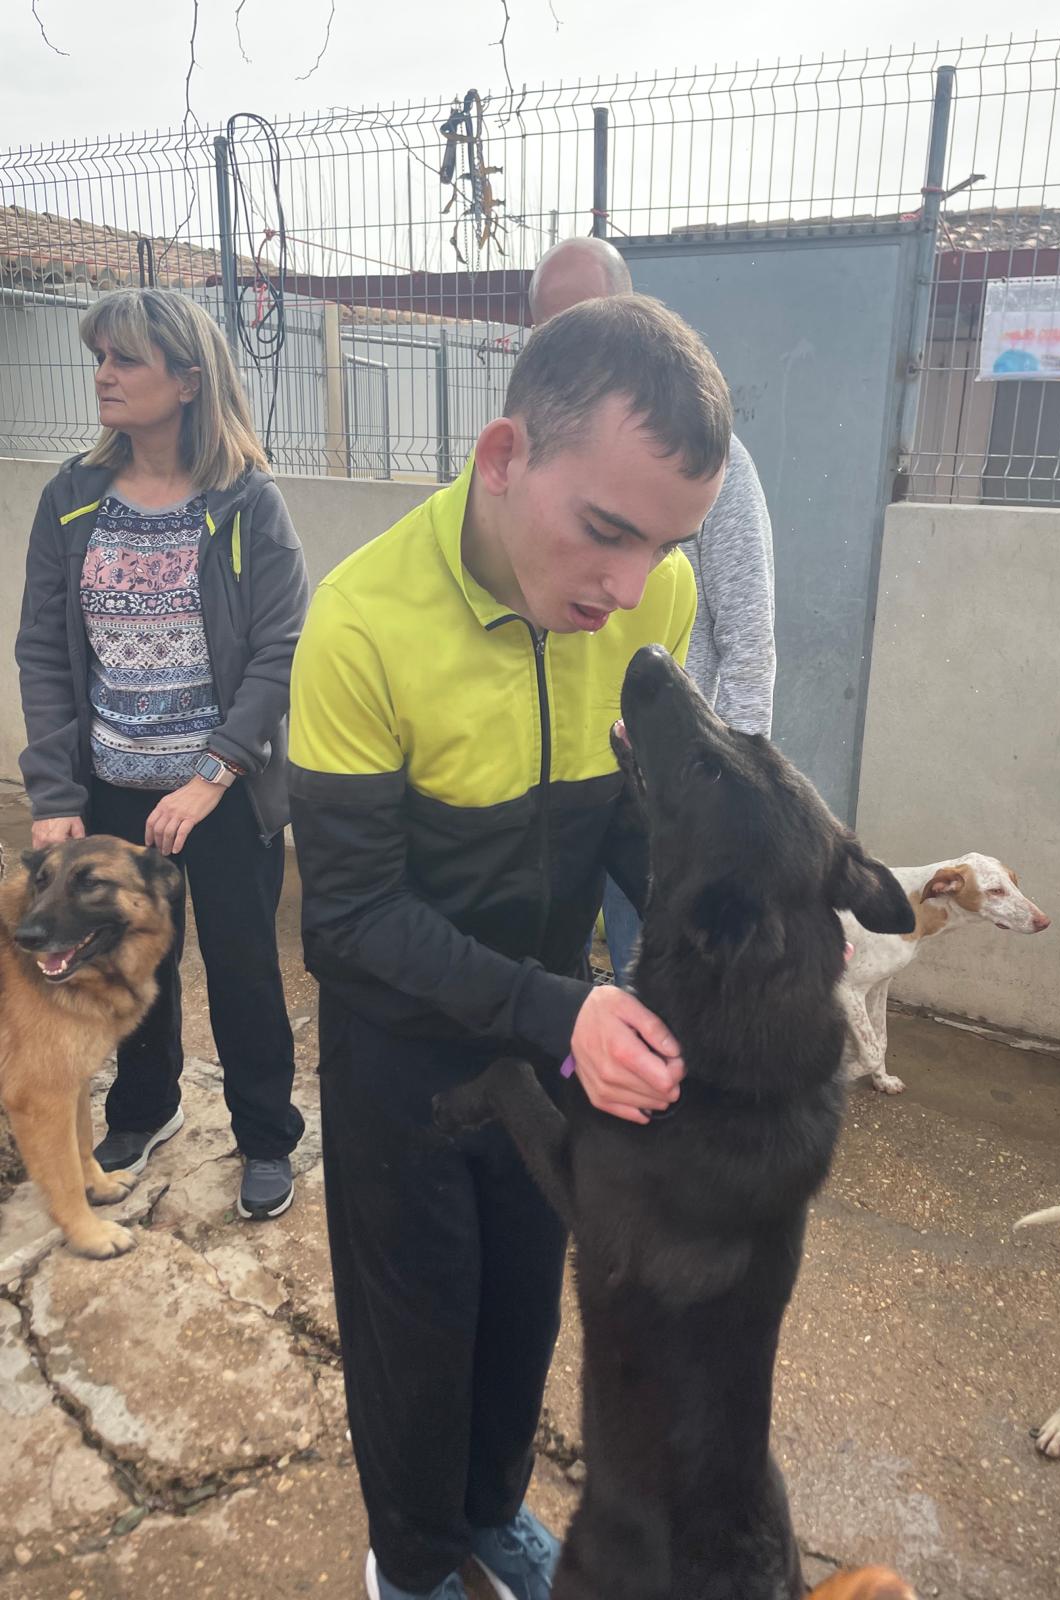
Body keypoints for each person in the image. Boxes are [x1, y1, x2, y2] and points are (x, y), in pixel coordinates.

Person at [287, 295, 731, 1600]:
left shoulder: (655, 599)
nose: (628, 588)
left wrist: (694, 976)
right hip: (403, 1058)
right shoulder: (360, 624)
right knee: (414, 1331)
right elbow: (350, 924)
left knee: (524, 1309)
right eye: (605, 531)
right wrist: (564, 1011)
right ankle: (412, 1563)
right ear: (501, 457)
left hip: (549, 1046)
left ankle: (485, 1515)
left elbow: (635, 832)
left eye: (665, 546)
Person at [16, 287, 308, 1222]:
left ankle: (266, 1136)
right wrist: (57, 790)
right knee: (123, 965)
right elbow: (46, 654)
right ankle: (148, 1109)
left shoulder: (246, 504)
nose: (102, 374)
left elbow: (278, 651)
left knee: (244, 969)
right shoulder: (71, 499)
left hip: (215, 798)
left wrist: (212, 773)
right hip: (106, 789)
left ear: (187, 380)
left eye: (125, 359)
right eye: (98, 355)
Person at [528, 237, 776, 983]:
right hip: (568, 789)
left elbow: (750, 644)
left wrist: (729, 807)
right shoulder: (539, 465)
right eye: (548, 331)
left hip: (668, 802)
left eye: (585, 320)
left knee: (674, 981)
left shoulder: (708, 462)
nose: (568, 348)